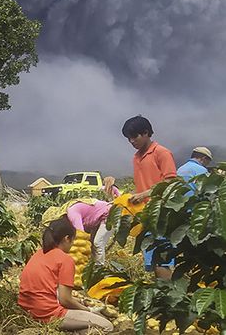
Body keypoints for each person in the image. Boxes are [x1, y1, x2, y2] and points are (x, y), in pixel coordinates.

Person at [18, 216, 114, 333]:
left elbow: (51, 290)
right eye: (73, 241)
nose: (72, 244)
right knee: (107, 326)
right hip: (47, 314)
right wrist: (88, 310)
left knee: (90, 320)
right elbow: (64, 300)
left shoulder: (38, 254)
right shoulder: (65, 260)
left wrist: (78, 302)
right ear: (67, 238)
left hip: (28, 310)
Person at [122, 115, 176, 279]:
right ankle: (159, 295)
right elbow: (143, 184)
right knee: (151, 260)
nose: (132, 141)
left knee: (163, 260)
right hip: (145, 216)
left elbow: (170, 181)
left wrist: (144, 194)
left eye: (134, 136)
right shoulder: (136, 157)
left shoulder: (162, 153)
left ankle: (166, 297)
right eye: (128, 138)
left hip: (161, 214)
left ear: (146, 133)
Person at [66, 200, 113, 265]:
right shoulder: (71, 212)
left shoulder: (72, 214)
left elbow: (81, 235)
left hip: (109, 214)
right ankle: (92, 267)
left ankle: (99, 268)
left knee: (98, 243)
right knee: (92, 244)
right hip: (98, 217)